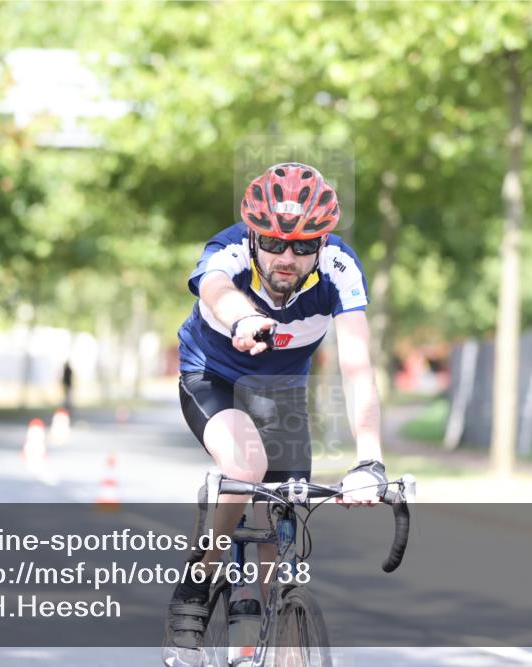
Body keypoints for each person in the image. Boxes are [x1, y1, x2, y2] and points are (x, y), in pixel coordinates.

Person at [163, 163, 388, 666]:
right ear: (253, 236)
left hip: (279, 393)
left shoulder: (340, 269)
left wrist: (370, 461)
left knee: (282, 515)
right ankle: (199, 581)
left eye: (304, 246)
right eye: (273, 243)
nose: (287, 258)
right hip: (212, 377)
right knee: (245, 469)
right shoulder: (228, 251)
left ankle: (272, 637)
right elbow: (215, 289)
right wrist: (243, 317)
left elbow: (357, 366)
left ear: (322, 243)